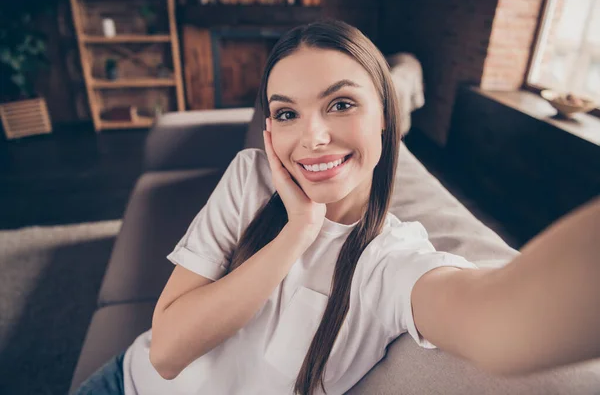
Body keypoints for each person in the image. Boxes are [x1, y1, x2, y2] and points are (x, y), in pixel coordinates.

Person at [72, 20, 600, 395]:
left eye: (341, 104)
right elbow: (164, 354)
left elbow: (504, 319)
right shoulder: (251, 178)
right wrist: (298, 232)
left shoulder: (390, 263)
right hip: (125, 382)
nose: (313, 137)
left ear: (386, 120)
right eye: (287, 114)